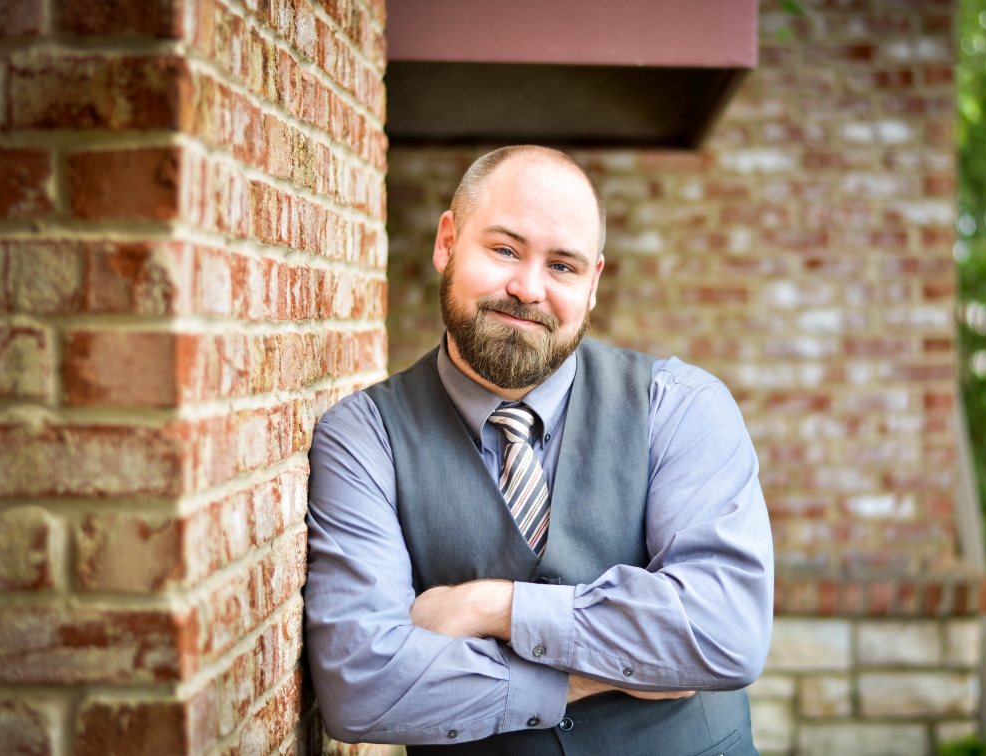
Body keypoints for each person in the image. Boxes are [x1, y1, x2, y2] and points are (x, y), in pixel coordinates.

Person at [305, 145, 774, 755]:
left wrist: (491, 606)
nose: (528, 289)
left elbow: (726, 631)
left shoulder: (680, 405)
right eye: (504, 250)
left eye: (562, 266)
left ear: (594, 283)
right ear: (448, 241)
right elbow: (360, 687)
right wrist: (598, 671)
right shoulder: (364, 437)